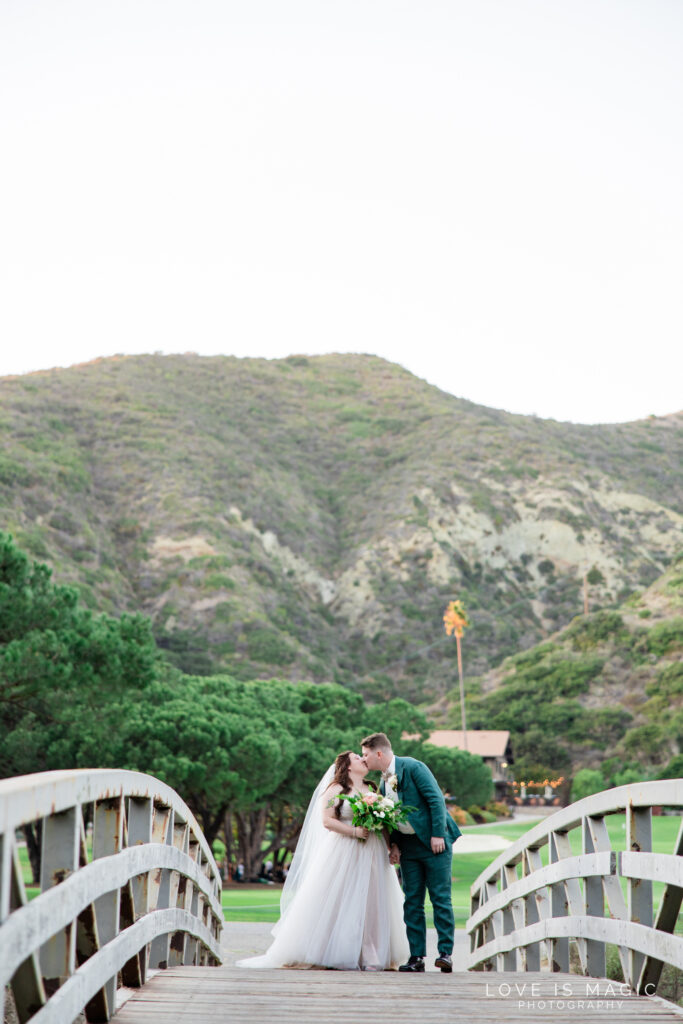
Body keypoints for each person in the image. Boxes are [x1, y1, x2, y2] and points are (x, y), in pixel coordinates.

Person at [237, 751, 409, 970]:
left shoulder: (372, 789)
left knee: (373, 901)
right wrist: (354, 831)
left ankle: (371, 953)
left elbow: (384, 824)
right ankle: (334, 951)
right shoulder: (334, 789)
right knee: (341, 899)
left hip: (373, 852)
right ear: (347, 766)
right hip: (345, 850)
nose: (363, 760)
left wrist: (390, 846)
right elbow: (327, 821)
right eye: (358, 758)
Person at [360, 732, 462, 974]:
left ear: (379, 753)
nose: (364, 760)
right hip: (408, 847)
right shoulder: (384, 782)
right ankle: (416, 957)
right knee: (412, 902)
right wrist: (393, 845)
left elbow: (436, 799)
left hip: (434, 842)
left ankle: (445, 954)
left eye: (365, 755)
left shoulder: (414, 767)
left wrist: (438, 834)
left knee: (440, 898)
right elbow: (390, 816)